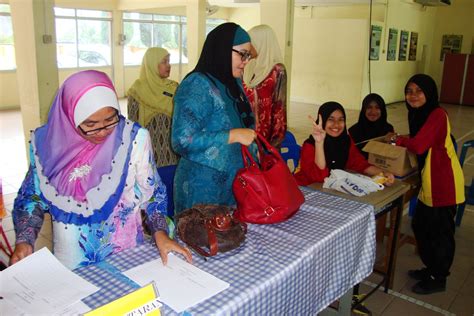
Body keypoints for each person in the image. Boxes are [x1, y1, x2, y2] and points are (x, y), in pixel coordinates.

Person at [10, 70, 191, 269]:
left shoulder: (133, 139)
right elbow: (32, 197)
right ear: (69, 116)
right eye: (91, 124)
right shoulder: (48, 145)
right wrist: (25, 239)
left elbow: (153, 194)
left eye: (110, 120)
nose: (103, 131)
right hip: (71, 260)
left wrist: (160, 232)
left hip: (127, 255)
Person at [171, 22, 256, 214]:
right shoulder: (196, 85)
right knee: (203, 241)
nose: (246, 61)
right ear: (222, 50)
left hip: (236, 184)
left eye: (248, 55)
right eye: (242, 54)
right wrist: (231, 135)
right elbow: (181, 140)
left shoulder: (233, 82)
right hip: (203, 188)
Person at [393, 74, 464, 295]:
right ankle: (431, 268)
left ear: (430, 93)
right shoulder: (419, 114)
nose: (413, 95)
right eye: (409, 91)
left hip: (445, 184)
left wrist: (398, 140)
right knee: (421, 226)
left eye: (419, 91)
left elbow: (420, 145)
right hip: (430, 182)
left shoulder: (437, 114)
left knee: (440, 233)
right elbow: (421, 138)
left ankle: (438, 277)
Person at [294, 101, 395, 186]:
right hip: (305, 188)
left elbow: (358, 163)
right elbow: (319, 178)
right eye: (330, 119)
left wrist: (382, 173)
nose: (336, 124)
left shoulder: (345, 140)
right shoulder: (310, 145)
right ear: (323, 120)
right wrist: (319, 143)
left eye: (341, 120)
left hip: (329, 189)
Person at [127, 47, 179, 166]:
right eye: (164, 62)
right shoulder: (137, 91)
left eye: (169, 61)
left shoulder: (174, 87)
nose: (168, 65)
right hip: (148, 156)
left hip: (173, 155)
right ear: (151, 64)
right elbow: (133, 126)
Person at [243, 24, 287, 148]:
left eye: (252, 43)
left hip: (266, 136)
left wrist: (275, 142)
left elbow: (279, 107)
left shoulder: (277, 70)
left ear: (262, 43)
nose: (249, 47)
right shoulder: (248, 66)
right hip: (246, 132)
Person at [348, 93, 394, 159]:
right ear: (364, 109)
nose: (373, 111)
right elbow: (352, 157)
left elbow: (393, 150)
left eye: (377, 107)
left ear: (382, 110)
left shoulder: (389, 129)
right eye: (369, 107)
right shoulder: (353, 131)